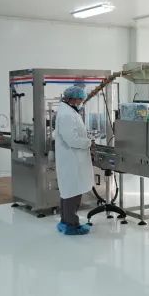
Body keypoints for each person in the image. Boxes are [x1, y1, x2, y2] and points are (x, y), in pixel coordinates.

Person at [54, 86, 93, 236]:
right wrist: (88, 143)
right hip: (72, 159)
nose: (81, 102)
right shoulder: (67, 114)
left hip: (71, 158)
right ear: (72, 99)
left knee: (68, 190)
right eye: (80, 99)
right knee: (73, 192)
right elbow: (72, 139)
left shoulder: (67, 111)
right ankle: (72, 225)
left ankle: (65, 222)